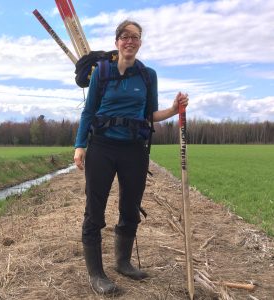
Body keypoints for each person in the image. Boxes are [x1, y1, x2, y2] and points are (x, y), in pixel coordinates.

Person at [74, 20, 189, 295]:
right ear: (117, 42)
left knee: (130, 208)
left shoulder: (148, 75)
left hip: (134, 150)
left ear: (140, 43)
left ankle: (123, 262)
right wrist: (80, 145)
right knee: (95, 210)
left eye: (135, 37)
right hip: (101, 146)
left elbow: (149, 116)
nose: (130, 41)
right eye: (125, 36)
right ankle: (97, 274)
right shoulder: (101, 72)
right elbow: (88, 112)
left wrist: (174, 109)